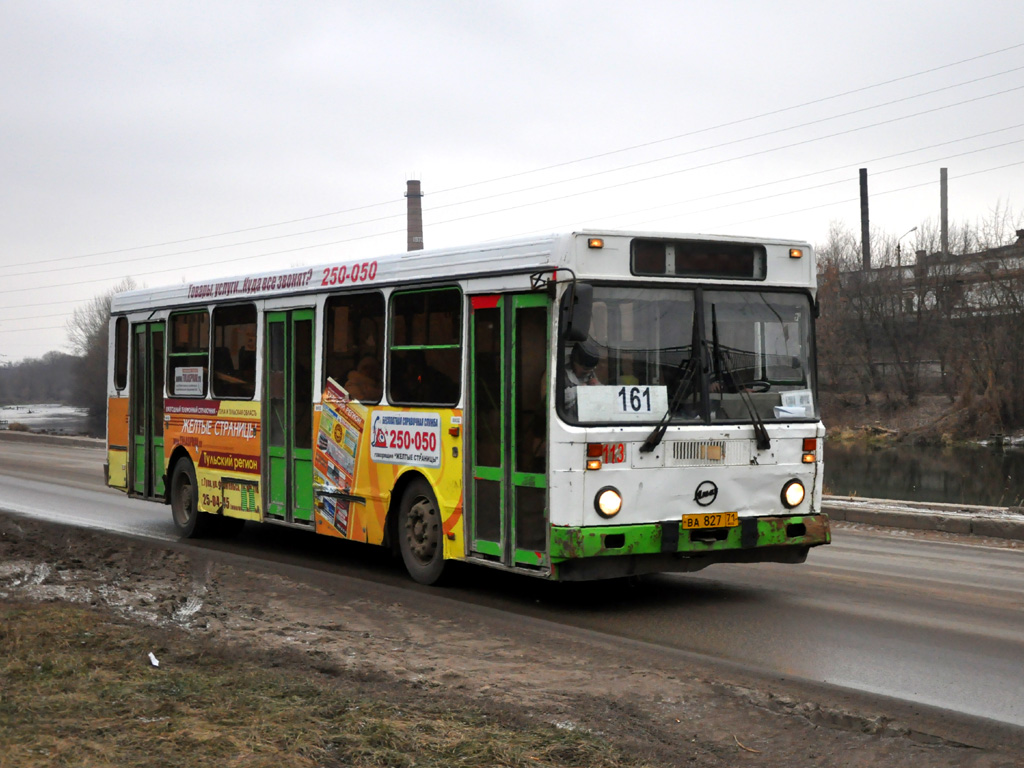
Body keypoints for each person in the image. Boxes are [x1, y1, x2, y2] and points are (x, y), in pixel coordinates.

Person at [564, 340, 601, 416]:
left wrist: (597, 387)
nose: (588, 372)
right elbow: (557, 400)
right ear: (574, 362)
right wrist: (581, 390)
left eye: (591, 369)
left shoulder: (590, 373)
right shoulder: (560, 372)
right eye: (585, 369)